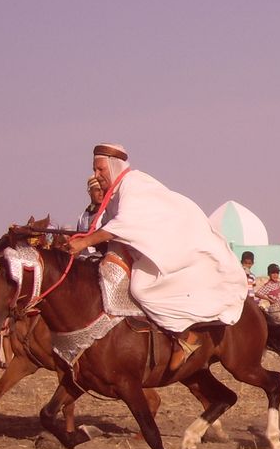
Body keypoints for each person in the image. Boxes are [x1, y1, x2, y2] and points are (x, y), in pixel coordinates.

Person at [68, 143, 248, 370]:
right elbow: (107, 225)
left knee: (141, 288)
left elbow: (125, 224)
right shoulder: (116, 192)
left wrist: (85, 241)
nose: (96, 175)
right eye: (95, 170)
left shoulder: (132, 187)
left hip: (169, 249)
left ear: (113, 167)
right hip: (143, 248)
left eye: (100, 169)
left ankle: (185, 336)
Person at [75, 177, 108, 257]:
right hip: (83, 259)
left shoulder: (109, 213)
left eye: (103, 190)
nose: (101, 193)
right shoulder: (82, 217)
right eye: (97, 190)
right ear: (90, 192)